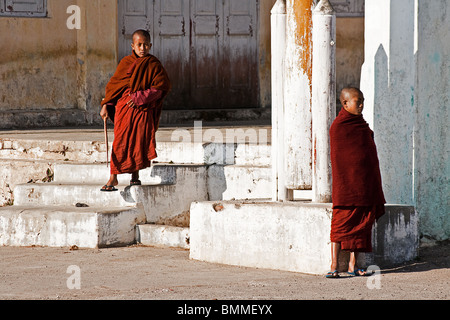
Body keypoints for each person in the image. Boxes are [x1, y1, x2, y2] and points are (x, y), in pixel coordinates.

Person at [100, 29, 171, 191]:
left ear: (150, 45)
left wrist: (139, 98)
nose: (142, 48)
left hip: (142, 110)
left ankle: (135, 176)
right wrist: (105, 105)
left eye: (146, 45)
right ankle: (113, 177)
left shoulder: (154, 64)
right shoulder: (126, 63)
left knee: (138, 143)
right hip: (124, 110)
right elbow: (114, 87)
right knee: (119, 141)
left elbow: (161, 88)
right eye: (139, 44)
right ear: (132, 45)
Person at [326, 87, 386, 278]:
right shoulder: (338, 127)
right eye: (357, 101)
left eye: (362, 101)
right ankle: (334, 264)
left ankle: (354, 265)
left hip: (363, 186)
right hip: (346, 187)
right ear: (345, 103)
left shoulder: (363, 126)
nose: (361, 105)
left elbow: (368, 156)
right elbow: (340, 159)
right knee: (339, 226)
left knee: (361, 226)